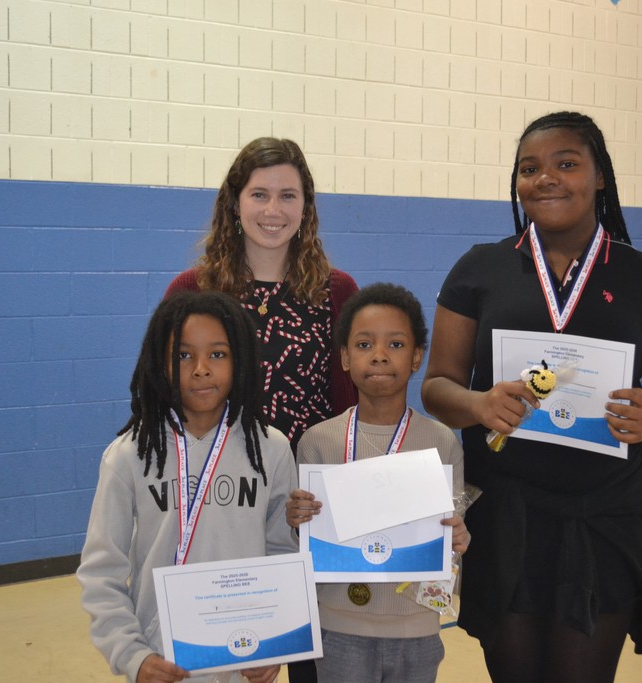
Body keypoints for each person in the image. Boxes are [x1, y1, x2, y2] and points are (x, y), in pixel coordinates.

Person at [421, 111, 642, 683]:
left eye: (566, 164)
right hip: (503, 516)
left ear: (599, 176)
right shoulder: (479, 269)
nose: (546, 178)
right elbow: (436, 388)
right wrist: (477, 405)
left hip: (603, 519)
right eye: (530, 169)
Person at [77, 291, 297, 683]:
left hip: (243, 659)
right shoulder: (129, 455)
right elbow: (101, 570)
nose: (200, 369)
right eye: (183, 355)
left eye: (218, 354)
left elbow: (281, 554)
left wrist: (272, 642)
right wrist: (132, 655)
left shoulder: (271, 449)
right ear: (160, 364)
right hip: (161, 660)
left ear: (240, 360)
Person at [286, 282, 470, 683]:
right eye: (365, 344)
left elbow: (451, 545)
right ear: (345, 358)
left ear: (417, 357)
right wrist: (295, 520)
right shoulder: (318, 442)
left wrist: (458, 540)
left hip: (417, 629)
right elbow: (303, 546)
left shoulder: (441, 442)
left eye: (397, 344)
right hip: (338, 629)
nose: (381, 355)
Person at [166, 136, 358, 450]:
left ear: (305, 207)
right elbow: (164, 391)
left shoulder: (337, 292)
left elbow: (352, 403)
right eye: (259, 195)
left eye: (287, 196)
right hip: (218, 483)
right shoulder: (191, 291)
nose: (273, 210)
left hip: (308, 484)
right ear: (235, 204)